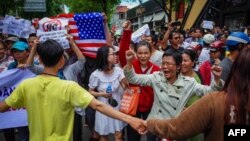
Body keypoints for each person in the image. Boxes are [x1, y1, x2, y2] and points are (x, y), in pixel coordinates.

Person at [0, 39, 145, 141]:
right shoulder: (69, 86)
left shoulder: (26, 85)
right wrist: (130, 119)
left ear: (41, 61)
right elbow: (98, 105)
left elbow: (4, 106)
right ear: (62, 60)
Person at [142, 46, 250, 141]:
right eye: (181, 60)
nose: (183, 63)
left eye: (185, 60)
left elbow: (178, 128)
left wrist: (148, 124)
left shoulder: (204, 91)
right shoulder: (217, 101)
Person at [124, 49, 224, 121]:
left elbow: (210, 92)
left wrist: (217, 78)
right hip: (156, 124)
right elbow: (133, 78)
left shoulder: (189, 83)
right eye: (163, 63)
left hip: (175, 127)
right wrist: (129, 62)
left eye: (169, 64)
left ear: (178, 66)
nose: (165, 67)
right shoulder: (156, 78)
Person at [88, 46, 127, 141]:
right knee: (104, 135)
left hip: (117, 106)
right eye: (113, 54)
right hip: (103, 107)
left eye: (115, 54)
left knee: (119, 134)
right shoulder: (95, 75)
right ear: (105, 57)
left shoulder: (118, 70)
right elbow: (90, 92)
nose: (115, 56)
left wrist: (124, 79)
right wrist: (101, 94)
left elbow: (125, 87)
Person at [125, 41, 160, 141]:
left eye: (146, 53)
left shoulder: (156, 69)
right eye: (140, 53)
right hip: (133, 107)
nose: (143, 56)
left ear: (150, 53)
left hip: (151, 108)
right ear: (135, 53)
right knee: (132, 136)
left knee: (151, 136)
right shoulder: (130, 67)